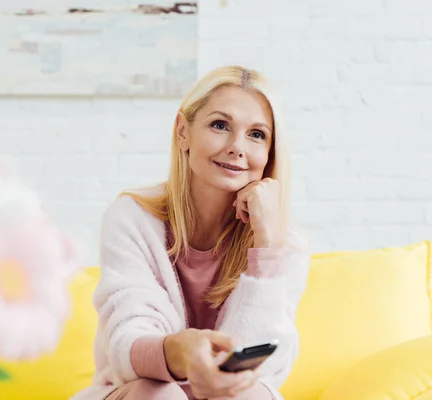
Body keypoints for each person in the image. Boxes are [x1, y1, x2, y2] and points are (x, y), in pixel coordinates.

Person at [71, 65, 310, 400]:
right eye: (220, 125)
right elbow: (126, 346)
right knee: (162, 395)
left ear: (270, 151)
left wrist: (266, 248)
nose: (237, 147)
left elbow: (262, 367)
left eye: (257, 134)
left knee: (250, 395)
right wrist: (182, 353)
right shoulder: (132, 217)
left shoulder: (284, 243)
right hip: (137, 393)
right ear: (183, 130)